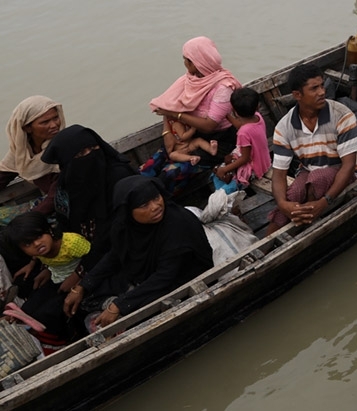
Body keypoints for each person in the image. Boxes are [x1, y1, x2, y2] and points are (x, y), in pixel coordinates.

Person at [65, 176, 213, 330]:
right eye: (144, 205)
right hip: (145, 275)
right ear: (128, 211)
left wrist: (119, 305)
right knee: (88, 296)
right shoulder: (125, 227)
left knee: (135, 316)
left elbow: (165, 276)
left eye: (156, 197)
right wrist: (82, 286)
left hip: (180, 278)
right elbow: (115, 255)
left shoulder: (177, 223)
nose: (155, 206)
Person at [268, 65, 357, 233]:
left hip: (345, 171)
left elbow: (348, 165)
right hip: (309, 170)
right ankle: (267, 241)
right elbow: (279, 174)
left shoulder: (341, 115)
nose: (322, 92)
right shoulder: (284, 127)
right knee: (294, 193)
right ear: (297, 95)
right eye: (314, 88)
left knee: (317, 179)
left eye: (321, 86)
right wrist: (283, 205)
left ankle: (308, 226)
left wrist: (324, 203)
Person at [142, 37, 241, 195]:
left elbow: (209, 125)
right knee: (152, 164)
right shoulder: (190, 80)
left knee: (170, 173)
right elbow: (168, 105)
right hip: (189, 135)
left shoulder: (223, 88)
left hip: (218, 141)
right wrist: (169, 132)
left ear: (196, 62)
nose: (184, 63)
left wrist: (174, 114)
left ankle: (159, 200)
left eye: (186, 60)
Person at [41, 126, 134, 259]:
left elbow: (119, 227)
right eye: (80, 154)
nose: (90, 155)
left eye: (94, 148)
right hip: (78, 248)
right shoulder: (66, 184)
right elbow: (64, 223)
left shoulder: (119, 176)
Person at [6, 211, 90, 339]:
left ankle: (57, 338)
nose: (36, 244)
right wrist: (37, 265)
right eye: (28, 244)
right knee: (33, 300)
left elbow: (93, 259)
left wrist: (79, 279)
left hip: (80, 278)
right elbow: (39, 257)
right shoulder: (40, 252)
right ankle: (24, 316)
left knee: (50, 311)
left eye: (39, 236)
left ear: (49, 230)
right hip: (56, 276)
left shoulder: (71, 243)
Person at [2, 96, 63, 202]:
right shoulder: (22, 152)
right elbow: (3, 175)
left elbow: (58, 192)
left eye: (56, 118)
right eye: (45, 122)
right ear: (27, 128)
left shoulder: (66, 147)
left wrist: (34, 215)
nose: (54, 125)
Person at [212, 88, 271, 194]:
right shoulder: (258, 116)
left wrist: (225, 170)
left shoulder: (243, 133)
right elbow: (241, 125)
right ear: (257, 106)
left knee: (219, 178)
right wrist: (227, 115)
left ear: (235, 111)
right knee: (225, 164)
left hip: (255, 168)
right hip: (264, 160)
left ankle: (230, 199)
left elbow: (245, 158)